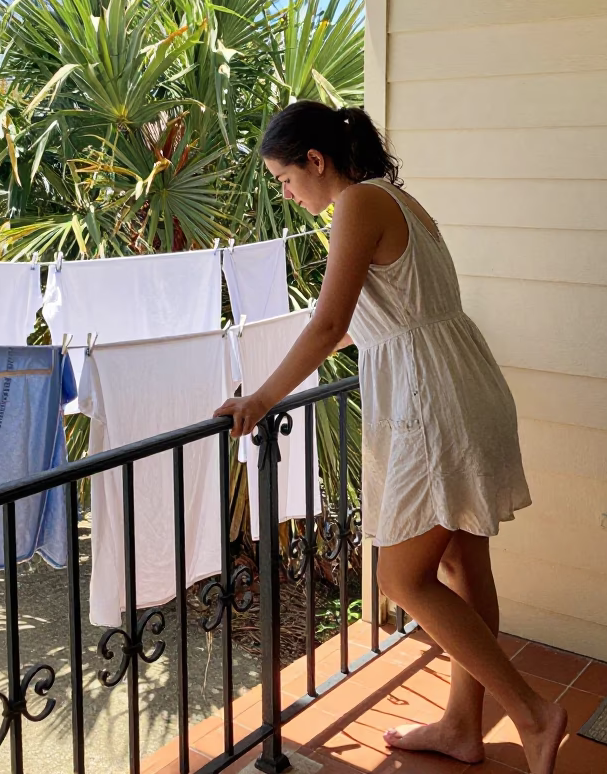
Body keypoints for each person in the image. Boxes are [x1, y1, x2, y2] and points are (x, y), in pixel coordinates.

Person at [214, 101, 567, 774]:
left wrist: (260, 398)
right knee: (464, 567)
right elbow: (372, 317)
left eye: (286, 179)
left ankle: (533, 712)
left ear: (316, 161)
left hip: (432, 403)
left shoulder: (357, 206)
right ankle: (464, 727)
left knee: (400, 577)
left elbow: (326, 326)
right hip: (460, 385)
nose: (286, 195)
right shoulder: (398, 203)